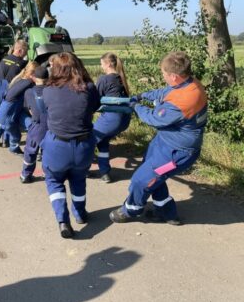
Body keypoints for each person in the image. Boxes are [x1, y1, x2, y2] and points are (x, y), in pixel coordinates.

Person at [110, 51, 208, 226]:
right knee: (154, 175)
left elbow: (154, 118)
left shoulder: (185, 100)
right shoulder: (187, 83)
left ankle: (131, 210)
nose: (162, 76)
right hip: (165, 141)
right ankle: (166, 212)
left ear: (174, 76)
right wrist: (142, 96)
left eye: (163, 73)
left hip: (177, 152)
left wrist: (136, 106)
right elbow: (165, 92)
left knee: (141, 180)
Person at [41, 52, 100, 238]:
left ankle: (63, 220)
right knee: (78, 179)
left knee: (54, 181)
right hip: (83, 147)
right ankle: (80, 214)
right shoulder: (89, 88)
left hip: (57, 146)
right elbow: (95, 106)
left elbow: (46, 111)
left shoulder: (48, 90)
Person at [92, 53, 132, 183]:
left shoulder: (104, 79)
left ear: (108, 64)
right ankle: (105, 172)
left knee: (87, 140)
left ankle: (79, 169)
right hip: (124, 119)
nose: (101, 66)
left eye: (102, 63)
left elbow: (94, 99)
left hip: (112, 119)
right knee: (102, 142)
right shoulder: (121, 78)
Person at [0, 61, 38, 154]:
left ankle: (34, 149)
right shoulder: (28, 83)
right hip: (8, 115)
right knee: (16, 135)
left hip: (16, 112)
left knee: (32, 126)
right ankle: (14, 148)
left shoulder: (19, 79)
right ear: (33, 74)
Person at [20, 66, 49, 184]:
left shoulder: (29, 92)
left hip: (37, 127)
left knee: (30, 151)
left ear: (34, 78)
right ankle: (48, 174)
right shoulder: (53, 91)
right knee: (48, 152)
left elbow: (30, 110)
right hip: (52, 126)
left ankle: (26, 175)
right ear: (48, 78)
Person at [0, 40, 28, 110]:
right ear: (20, 51)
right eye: (25, 51)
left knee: (1, 111)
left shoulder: (4, 59)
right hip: (8, 91)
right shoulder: (21, 63)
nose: (26, 53)